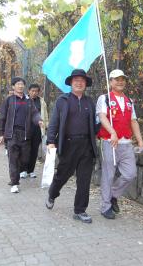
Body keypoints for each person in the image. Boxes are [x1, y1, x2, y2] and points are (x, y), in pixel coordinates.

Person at [45, 69, 98, 224]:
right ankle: (52, 193)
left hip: (86, 145)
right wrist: (50, 141)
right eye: (76, 80)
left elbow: (94, 126)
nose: (79, 83)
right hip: (68, 145)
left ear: (86, 84)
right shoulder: (63, 100)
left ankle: (80, 210)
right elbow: (54, 121)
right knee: (62, 175)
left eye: (82, 80)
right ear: (71, 83)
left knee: (84, 179)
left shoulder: (90, 102)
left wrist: (104, 122)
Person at [96, 69, 143, 219]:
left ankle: (113, 195)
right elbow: (102, 117)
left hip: (126, 143)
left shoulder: (129, 101)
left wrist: (140, 141)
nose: (120, 82)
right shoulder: (104, 98)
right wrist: (112, 132)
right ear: (110, 82)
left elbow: (133, 121)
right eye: (116, 79)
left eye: (122, 79)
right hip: (109, 142)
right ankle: (105, 207)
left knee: (130, 174)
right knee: (108, 175)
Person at [0, 77, 43, 193]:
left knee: (24, 159)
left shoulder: (28, 100)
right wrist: (1, 134)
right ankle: (14, 183)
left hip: (25, 134)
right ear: (13, 87)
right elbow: (2, 117)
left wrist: (39, 120)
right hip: (12, 134)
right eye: (18, 84)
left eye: (22, 84)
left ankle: (15, 174)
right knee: (13, 158)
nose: (20, 86)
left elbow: (34, 113)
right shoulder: (9, 100)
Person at [20, 83, 49, 179]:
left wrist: (45, 126)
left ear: (38, 92)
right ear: (28, 91)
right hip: (25, 129)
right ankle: (23, 170)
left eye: (36, 91)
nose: (34, 93)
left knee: (34, 151)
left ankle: (31, 170)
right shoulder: (24, 100)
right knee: (25, 150)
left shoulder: (41, 102)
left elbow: (45, 115)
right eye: (32, 91)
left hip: (37, 130)